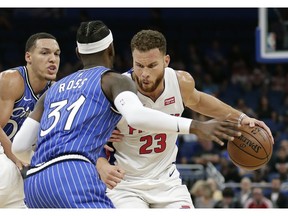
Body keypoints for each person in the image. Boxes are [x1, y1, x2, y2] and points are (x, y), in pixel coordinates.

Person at [11, 20, 240, 208]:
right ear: (112, 50)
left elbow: (19, 147)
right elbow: (137, 116)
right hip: (82, 174)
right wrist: (197, 127)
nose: (143, 73)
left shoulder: (53, 89)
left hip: (36, 180)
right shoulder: (114, 81)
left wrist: (47, 162)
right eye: (139, 65)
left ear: (78, 52)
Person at [96, 29, 274, 208]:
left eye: (151, 66)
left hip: (167, 182)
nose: (144, 73)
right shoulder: (117, 91)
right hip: (125, 185)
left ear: (166, 61)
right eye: (139, 65)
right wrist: (101, 163)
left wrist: (241, 117)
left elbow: (199, 101)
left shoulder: (180, 82)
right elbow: (82, 138)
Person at [0, 32, 60, 208]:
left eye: (56, 54)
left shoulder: (56, 90)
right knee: (8, 173)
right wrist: (19, 161)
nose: (52, 59)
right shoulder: (12, 80)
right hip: (4, 148)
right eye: (44, 53)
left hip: (17, 150)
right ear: (28, 57)